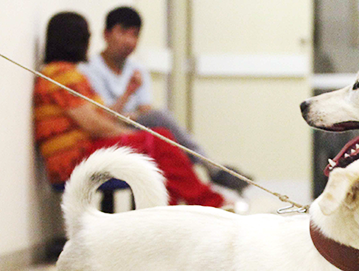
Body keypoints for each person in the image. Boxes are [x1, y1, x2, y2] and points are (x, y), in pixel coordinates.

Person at [34, 11, 225, 208]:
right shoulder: (61, 75)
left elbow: (102, 115)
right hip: (74, 161)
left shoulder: (66, 74)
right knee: (158, 140)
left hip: (83, 154)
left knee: (159, 144)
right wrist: (133, 135)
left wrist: (128, 93)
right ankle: (209, 203)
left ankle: (174, 215)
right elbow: (93, 125)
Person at [80, 6, 251, 194]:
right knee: (160, 120)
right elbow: (104, 117)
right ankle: (209, 170)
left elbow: (145, 109)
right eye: (123, 33)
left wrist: (133, 113)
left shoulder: (137, 68)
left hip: (135, 128)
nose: (129, 41)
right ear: (106, 34)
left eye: (135, 35)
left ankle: (202, 180)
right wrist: (128, 93)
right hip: (109, 133)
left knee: (163, 131)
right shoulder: (90, 69)